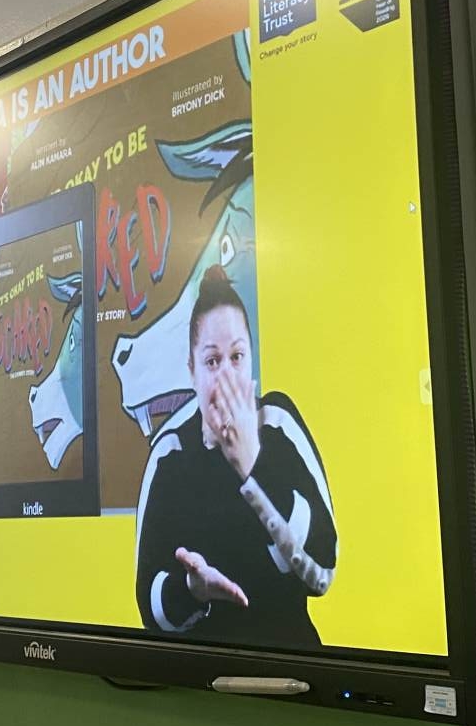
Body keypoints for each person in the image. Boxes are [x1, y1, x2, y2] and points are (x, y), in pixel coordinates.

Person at [134, 264, 337, 648]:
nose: (226, 376)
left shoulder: (277, 423)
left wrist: (253, 465)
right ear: (192, 371)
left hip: (291, 665)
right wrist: (192, 591)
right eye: (212, 362)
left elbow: (323, 568)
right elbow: (149, 606)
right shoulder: (170, 455)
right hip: (200, 671)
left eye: (237, 357)